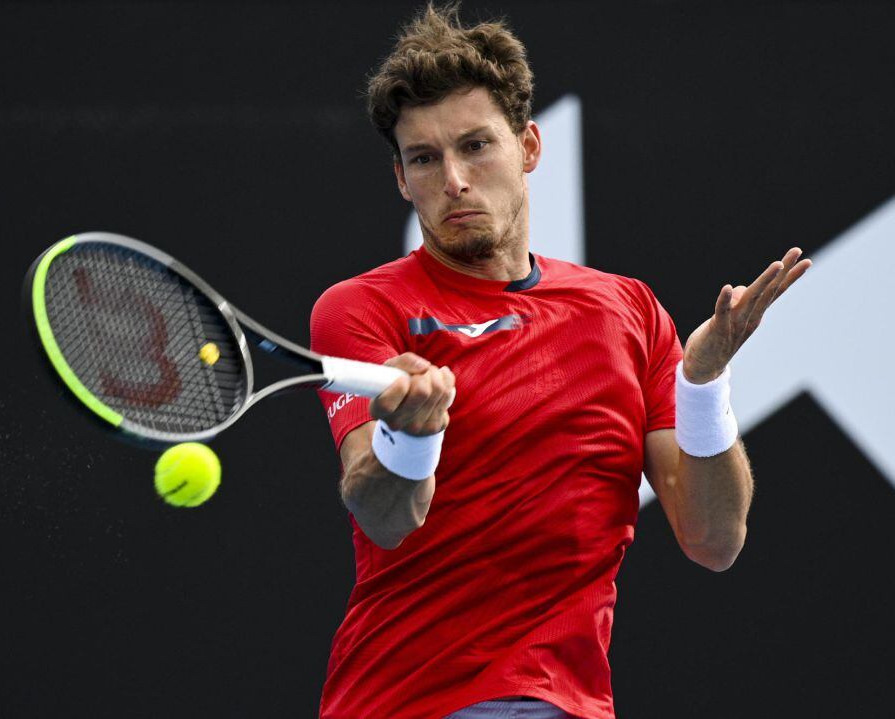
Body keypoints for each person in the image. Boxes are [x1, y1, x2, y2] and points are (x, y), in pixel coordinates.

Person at [309, 5, 810, 719]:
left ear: (529, 146)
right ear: (400, 178)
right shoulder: (361, 310)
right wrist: (409, 436)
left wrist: (701, 384)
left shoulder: (629, 312)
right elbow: (386, 516)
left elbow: (715, 539)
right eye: (424, 158)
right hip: (411, 702)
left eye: (476, 145)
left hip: (570, 703)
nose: (453, 178)